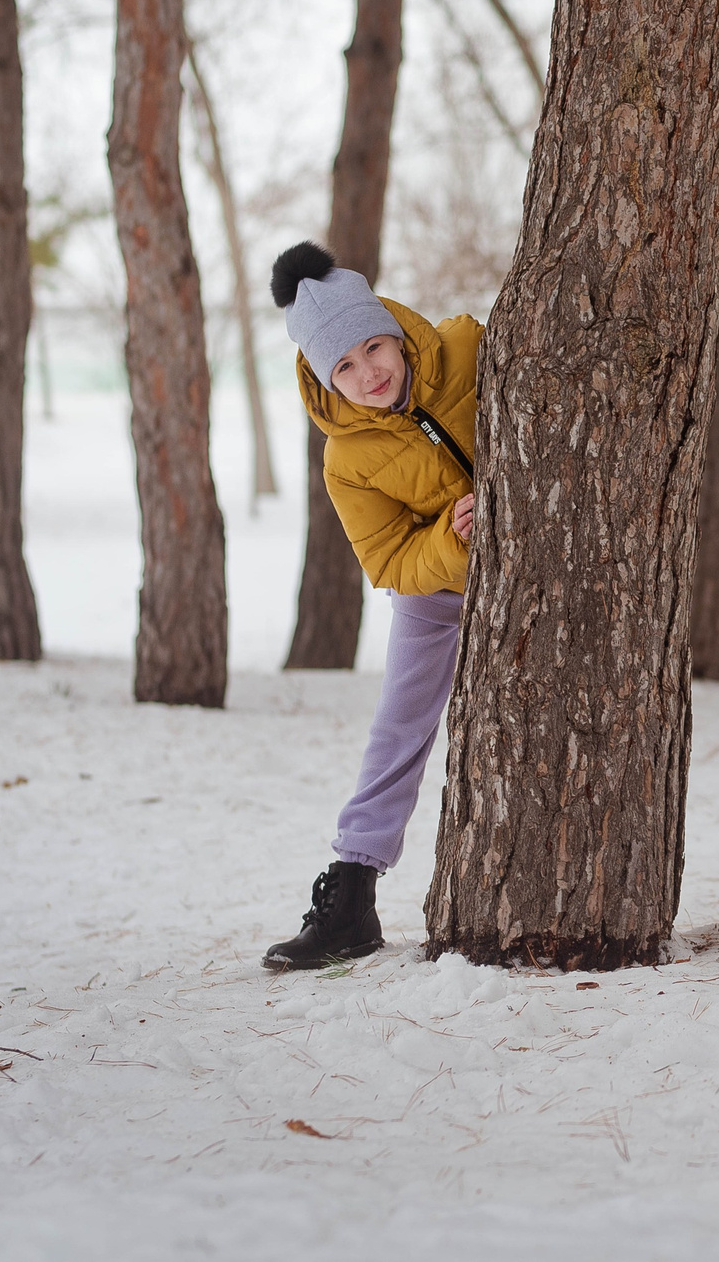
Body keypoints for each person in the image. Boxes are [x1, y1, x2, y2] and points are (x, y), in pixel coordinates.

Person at [260, 241, 484, 972]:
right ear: (323, 376)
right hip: (438, 584)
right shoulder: (345, 457)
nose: (368, 374)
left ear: (393, 327)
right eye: (344, 366)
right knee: (398, 727)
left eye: (373, 346)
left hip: (550, 562)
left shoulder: (467, 346)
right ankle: (352, 891)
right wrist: (451, 547)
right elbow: (388, 560)